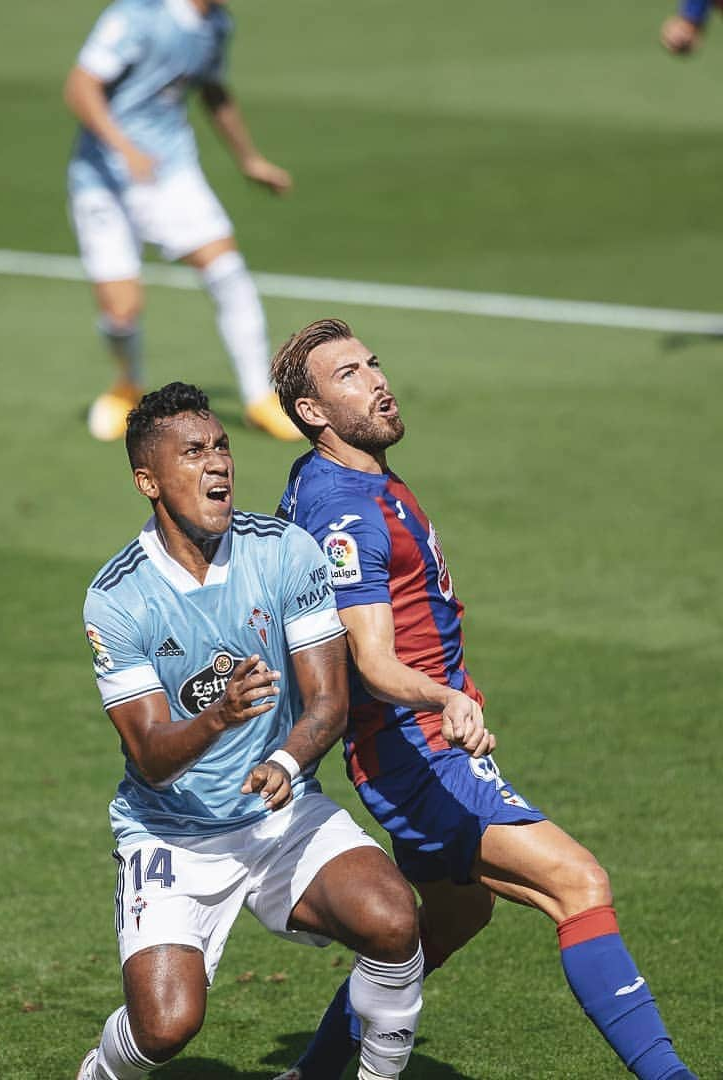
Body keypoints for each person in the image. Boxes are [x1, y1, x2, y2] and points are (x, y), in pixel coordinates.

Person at [267, 318, 697, 1080]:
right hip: (417, 748)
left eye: (374, 365)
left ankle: (313, 1072)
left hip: (412, 741)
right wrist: (445, 698)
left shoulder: (327, 476)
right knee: (579, 884)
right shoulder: (347, 511)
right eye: (349, 377)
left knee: (454, 918)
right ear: (312, 413)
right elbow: (371, 660)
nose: (377, 382)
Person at [77, 382, 428, 1080]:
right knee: (165, 1028)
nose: (217, 465)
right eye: (192, 453)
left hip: (279, 816)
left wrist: (289, 764)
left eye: (222, 446)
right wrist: (221, 714)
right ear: (148, 480)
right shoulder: (116, 597)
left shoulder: (285, 552)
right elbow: (149, 757)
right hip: (173, 833)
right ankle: (101, 1072)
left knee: (393, 920)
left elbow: (327, 700)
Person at [64, 0, 302, 443]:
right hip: (104, 180)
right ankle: (126, 385)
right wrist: (123, 147)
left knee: (227, 270)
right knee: (121, 311)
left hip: (170, 172)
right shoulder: (136, 17)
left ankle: (259, 398)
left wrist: (249, 159)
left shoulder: (216, 24)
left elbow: (213, 90)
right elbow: (80, 87)